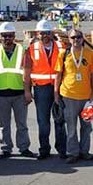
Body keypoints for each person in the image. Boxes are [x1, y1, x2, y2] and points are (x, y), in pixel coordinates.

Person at [0, 22, 35, 158]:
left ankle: (24, 147)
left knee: (21, 123)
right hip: (1, 94)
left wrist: (28, 92)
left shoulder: (22, 51)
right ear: (1, 37)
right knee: (4, 124)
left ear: (14, 36)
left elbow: (27, 73)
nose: (7, 38)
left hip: (19, 93)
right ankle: (6, 148)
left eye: (10, 35)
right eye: (4, 36)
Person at [54, 28, 93, 163]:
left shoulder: (90, 54)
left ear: (82, 38)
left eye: (78, 37)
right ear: (69, 39)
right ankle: (72, 153)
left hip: (85, 97)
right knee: (71, 127)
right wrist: (56, 94)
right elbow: (58, 75)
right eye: (73, 38)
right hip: (68, 96)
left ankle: (84, 151)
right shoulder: (64, 54)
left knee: (86, 127)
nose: (76, 40)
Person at [25, 19, 65, 159]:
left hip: (58, 88)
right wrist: (27, 90)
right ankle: (44, 149)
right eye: (42, 33)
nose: (45, 35)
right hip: (41, 89)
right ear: (37, 33)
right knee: (43, 121)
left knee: (59, 119)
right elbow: (27, 71)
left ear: (51, 33)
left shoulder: (62, 47)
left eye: (47, 33)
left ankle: (62, 149)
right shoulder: (32, 49)